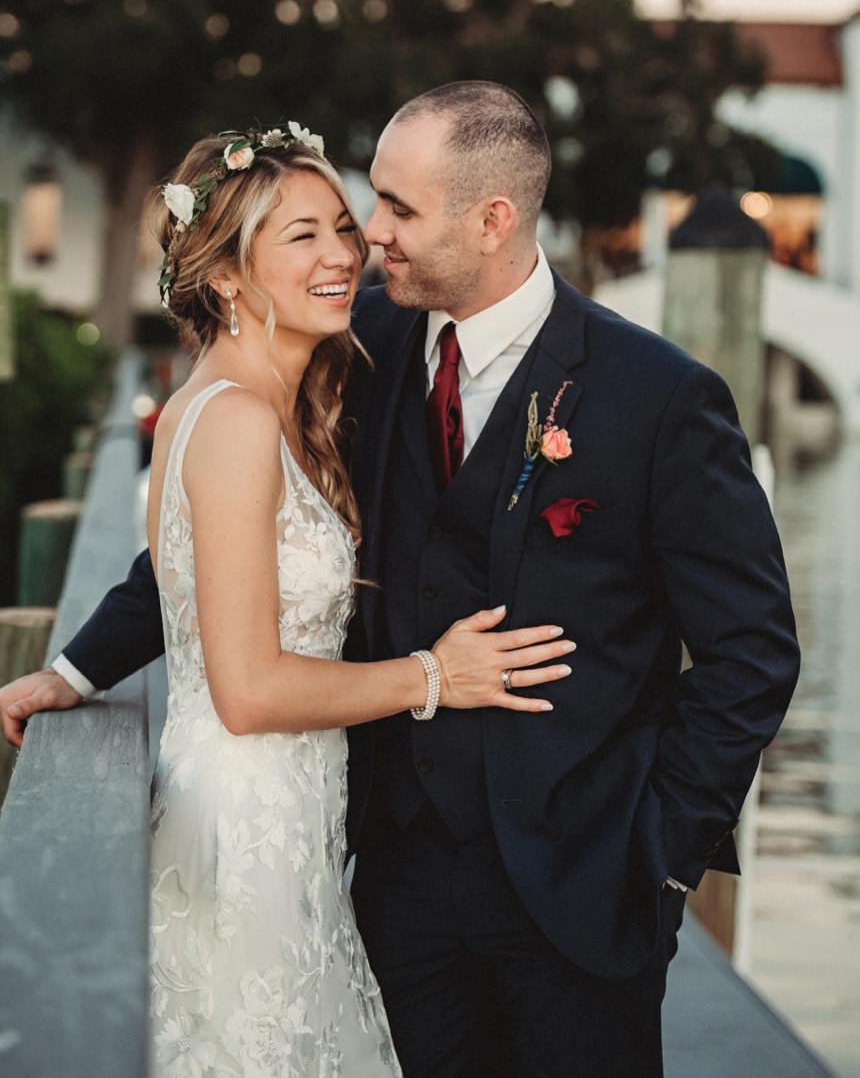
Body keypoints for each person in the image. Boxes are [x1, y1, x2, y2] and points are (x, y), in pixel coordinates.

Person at [1, 84, 800, 1078]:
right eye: (362, 207)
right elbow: (214, 538)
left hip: (585, 888)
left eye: (397, 210)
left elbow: (752, 651)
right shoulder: (355, 344)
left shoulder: (659, 395)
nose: (371, 237)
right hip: (391, 881)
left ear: (492, 219)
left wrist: (664, 853)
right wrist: (77, 669)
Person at [2, 124, 573, 1077]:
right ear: (227, 275)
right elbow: (248, 691)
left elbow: (204, 580)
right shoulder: (231, 421)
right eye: (302, 235)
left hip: (303, 829)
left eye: (346, 227)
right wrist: (438, 675)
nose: (346, 254)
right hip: (243, 834)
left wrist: (71, 669)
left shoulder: (295, 392)